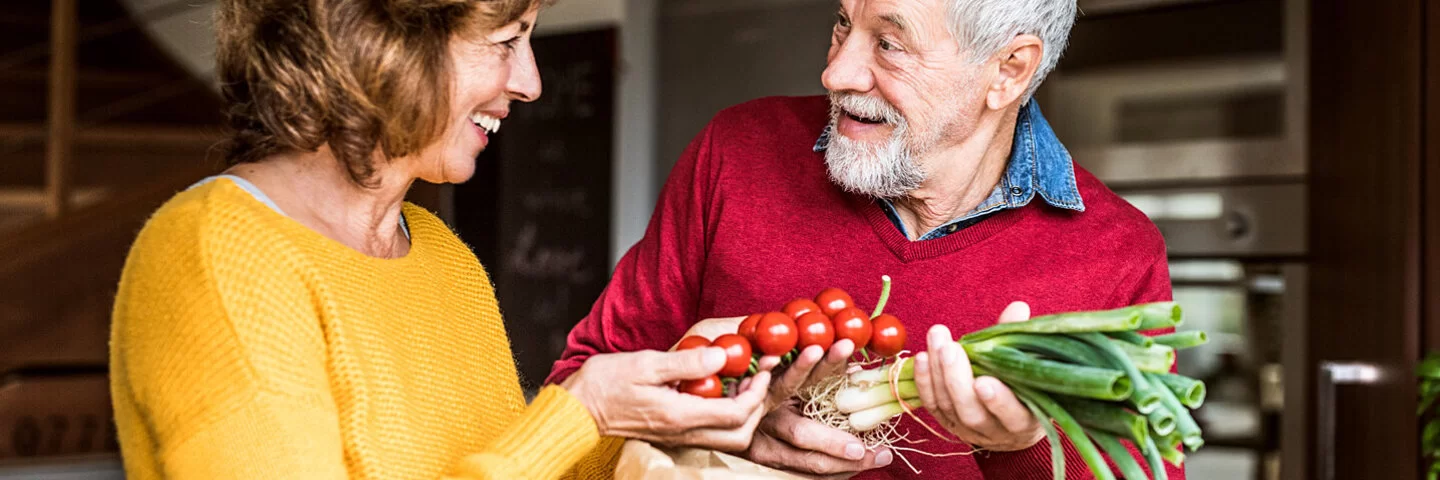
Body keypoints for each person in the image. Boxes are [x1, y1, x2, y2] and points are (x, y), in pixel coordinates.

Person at [107, 1, 772, 478]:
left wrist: (668, 409)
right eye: (507, 41)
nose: (531, 82)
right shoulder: (217, 254)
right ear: (387, 41)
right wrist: (580, 411)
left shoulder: (439, 254)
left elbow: (510, 466)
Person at [546, 0, 1184, 478]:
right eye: (842, 24)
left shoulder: (1115, 255)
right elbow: (576, 400)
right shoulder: (737, 152)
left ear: (1008, 71)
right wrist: (716, 421)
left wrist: (1020, 449)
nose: (837, 72)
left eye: (890, 44)